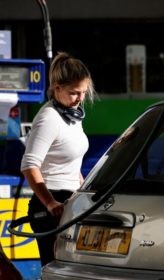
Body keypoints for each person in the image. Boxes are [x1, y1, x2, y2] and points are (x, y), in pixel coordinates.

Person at [20, 52, 95, 266]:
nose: (80, 99)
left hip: (70, 201)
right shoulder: (49, 118)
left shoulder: (72, 115)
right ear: (57, 88)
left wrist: (84, 191)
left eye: (83, 92)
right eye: (74, 93)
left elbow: (70, 163)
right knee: (57, 268)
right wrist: (49, 202)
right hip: (51, 204)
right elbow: (29, 165)